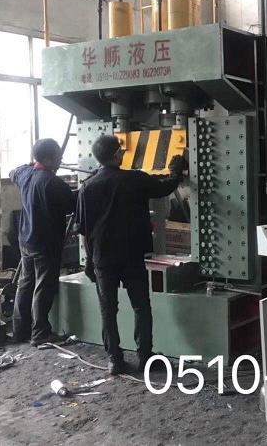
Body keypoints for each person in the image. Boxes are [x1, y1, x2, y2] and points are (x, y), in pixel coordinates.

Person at [76, 135, 187, 375]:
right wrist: (176, 170)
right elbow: (165, 187)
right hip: (131, 255)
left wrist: (89, 262)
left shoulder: (87, 186)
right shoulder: (134, 179)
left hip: (103, 258)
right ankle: (145, 357)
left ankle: (114, 360)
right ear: (117, 154)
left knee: (108, 309)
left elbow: (84, 229)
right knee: (141, 306)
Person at [11, 139, 76, 346]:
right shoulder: (54, 184)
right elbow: (73, 205)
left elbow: (14, 171)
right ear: (47, 159)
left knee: (25, 283)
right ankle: (40, 332)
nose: (60, 161)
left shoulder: (24, 174)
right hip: (46, 243)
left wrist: (32, 164)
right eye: (58, 157)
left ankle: (20, 330)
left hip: (26, 240)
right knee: (44, 286)